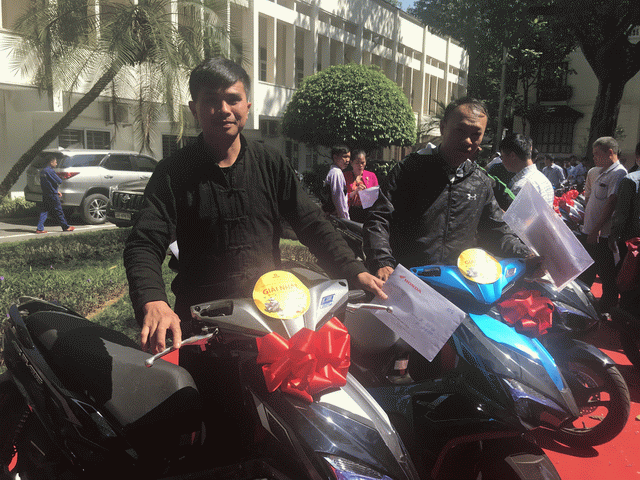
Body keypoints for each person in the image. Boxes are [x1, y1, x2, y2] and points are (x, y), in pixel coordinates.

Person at [124, 57, 386, 354]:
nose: (224, 109)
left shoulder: (271, 164)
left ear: (247, 106)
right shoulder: (173, 172)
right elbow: (144, 243)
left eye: (233, 99)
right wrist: (153, 300)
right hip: (202, 326)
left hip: (270, 318)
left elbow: (311, 223)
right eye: (211, 101)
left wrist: (353, 270)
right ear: (194, 108)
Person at [363, 97, 533, 283]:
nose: (467, 140)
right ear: (443, 127)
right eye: (460, 131)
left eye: (476, 134)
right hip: (407, 282)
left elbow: (497, 232)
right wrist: (382, 262)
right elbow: (379, 219)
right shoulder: (409, 170)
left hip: (458, 285)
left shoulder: (480, 182)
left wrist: (526, 254)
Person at [578, 137, 627, 313]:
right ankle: (582, 304)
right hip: (589, 230)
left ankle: (606, 309)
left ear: (610, 153)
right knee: (586, 272)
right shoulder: (594, 172)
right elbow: (589, 197)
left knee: (607, 274)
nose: (594, 158)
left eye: (597, 154)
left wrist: (596, 229)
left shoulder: (619, 174)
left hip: (603, 235)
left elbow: (611, 203)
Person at [609, 141, 640, 309]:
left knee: (628, 278)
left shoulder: (630, 180)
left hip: (632, 242)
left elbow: (621, 214)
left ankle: (626, 312)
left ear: (637, 157)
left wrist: (614, 236)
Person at [499, 133, 554, 207]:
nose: (502, 161)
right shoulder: (544, 180)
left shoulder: (520, 187)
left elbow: (515, 214)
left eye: (502, 157)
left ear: (512, 156)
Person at [36, 156, 75, 234]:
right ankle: (65, 227)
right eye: (55, 162)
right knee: (59, 211)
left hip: (46, 194)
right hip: (52, 195)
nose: (56, 164)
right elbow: (59, 181)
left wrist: (56, 191)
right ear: (51, 162)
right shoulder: (50, 171)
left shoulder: (42, 171)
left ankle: (39, 228)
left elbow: (47, 184)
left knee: (44, 211)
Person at [344, 149, 379, 222]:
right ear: (351, 163)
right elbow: (341, 197)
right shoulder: (345, 176)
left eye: (362, 163)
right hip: (350, 211)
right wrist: (355, 192)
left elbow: (377, 196)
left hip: (367, 212)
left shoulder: (371, 176)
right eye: (357, 163)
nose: (360, 165)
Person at [322, 144, 351, 219]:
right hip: (335, 217)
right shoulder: (336, 173)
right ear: (335, 157)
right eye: (345, 157)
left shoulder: (335, 171)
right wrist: (345, 219)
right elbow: (338, 198)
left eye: (349, 157)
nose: (347, 160)